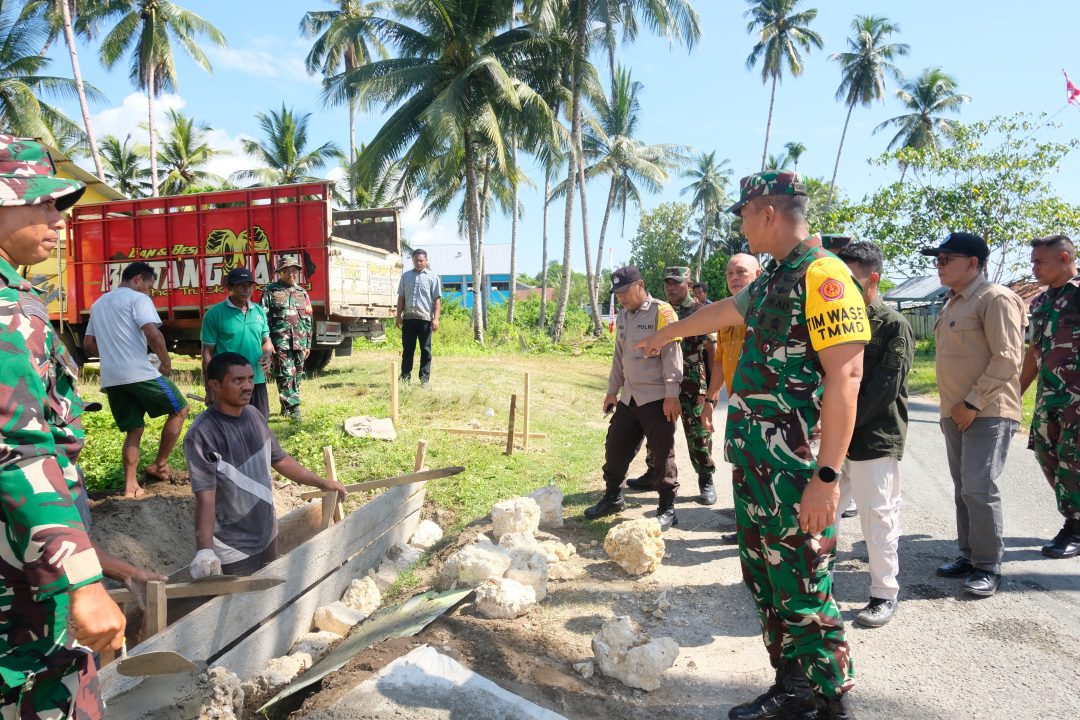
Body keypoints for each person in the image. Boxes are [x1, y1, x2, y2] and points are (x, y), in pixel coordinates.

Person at [640, 171, 867, 720]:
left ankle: (831, 702)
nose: (741, 227)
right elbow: (723, 311)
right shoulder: (773, 280)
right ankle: (794, 687)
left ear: (768, 212)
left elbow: (847, 378)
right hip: (756, 467)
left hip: (796, 471)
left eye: (744, 215)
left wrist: (827, 478)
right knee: (767, 580)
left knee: (804, 586)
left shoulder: (825, 275)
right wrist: (667, 333)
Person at [0, 135, 126, 717]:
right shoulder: (6, 313)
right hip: (23, 579)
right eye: (43, 202)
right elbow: (18, 450)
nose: (59, 218)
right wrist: (81, 581)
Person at [183, 353, 348, 577]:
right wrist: (205, 549)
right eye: (237, 380)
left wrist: (322, 483)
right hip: (233, 547)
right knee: (242, 598)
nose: (247, 386)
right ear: (215, 385)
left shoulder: (254, 415)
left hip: (267, 533)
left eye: (250, 378)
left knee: (267, 591)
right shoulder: (202, 434)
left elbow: (281, 460)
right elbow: (206, 497)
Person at [924, 232, 1026, 597]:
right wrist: (952, 410)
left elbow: (1008, 358)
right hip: (955, 412)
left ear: (972, 263)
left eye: (946, 259)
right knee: (963, 487)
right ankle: (968, 556)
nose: (939, 266)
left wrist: (972, 404)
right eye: (937, 260)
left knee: (979, 487)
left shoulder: (995, 298)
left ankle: (988, 565)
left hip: (987, 411)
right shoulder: (952, 302)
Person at [832, 242, 914, 628]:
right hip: (836, 439)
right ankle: (820, 583)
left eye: (851, 281)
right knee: (824, 511)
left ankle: (884, 593)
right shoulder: (838, 323)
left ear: (873, 280)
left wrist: (840, 424)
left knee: (877, 517)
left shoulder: (894, 325)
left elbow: (885, 388)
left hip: (875, 437)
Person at [585, 266, 683, 530]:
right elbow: (619, 357)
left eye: (625, 291)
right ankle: (613, 498)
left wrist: (672, 394)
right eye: (617, 293)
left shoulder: (662, 312)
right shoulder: (623, 315)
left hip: (657, 398)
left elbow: (672, 354)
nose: (621, 297)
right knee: (615, 448)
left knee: (662, 455)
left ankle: (667, 508)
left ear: (640, 285)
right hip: (629, 398)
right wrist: (611, 391)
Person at [84, 261, 189, 498]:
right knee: (181, 408)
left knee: (134, 429)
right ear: (138, 279)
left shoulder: (98, 304)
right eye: (149, 286)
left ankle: (130, 485)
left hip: (112, 378)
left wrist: (112, 356)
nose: (149, 292)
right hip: (138, 372)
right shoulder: (138, 298)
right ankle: (160, 464)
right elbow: (153, 333)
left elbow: (88, 343)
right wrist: (166, 361)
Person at [627, 267, 716, 505]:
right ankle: (652, 473)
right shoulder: (661, 311)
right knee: (656, 432)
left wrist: (711, 391)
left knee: (698, 435)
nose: (671, 288)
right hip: (662, 384)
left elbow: (712, 352)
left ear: (689, 284)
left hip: (692, 385)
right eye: (667, 283)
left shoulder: (700, 311)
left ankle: (706, 479)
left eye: (676, 283)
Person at [1020, 234, 1080, 559]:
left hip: (1077, 399)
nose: (1034, 268)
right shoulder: (1040, 302)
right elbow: (1034, 351)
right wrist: (1017, 391)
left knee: (1073, 459)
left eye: (1039, 262)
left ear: (1065, 258)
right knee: (1046, 453)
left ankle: (1075, 524)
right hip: (1049, 397)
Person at [201, 267, 273, 419]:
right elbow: (207, 353)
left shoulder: (259, 311)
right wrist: (210, 388)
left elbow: (266, 342)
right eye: (241, 285)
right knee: (229, 425)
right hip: (229, 383)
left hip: (256, 380)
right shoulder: (214, 314)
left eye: (250, 285)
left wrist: (267, 354)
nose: (247, 289)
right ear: (229, 287)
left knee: (260, 422)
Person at [260, 254, 313, 422]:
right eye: (287, 271)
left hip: (300, 340)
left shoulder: (302, 293)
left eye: (294, 270)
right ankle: (294, 407)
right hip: (280, 341)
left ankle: (286, 406)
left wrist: (308, 344)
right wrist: (267, 342)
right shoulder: (270, 291)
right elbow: (262, 319)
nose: (291, 274)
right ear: (280, 272)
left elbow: (308, 319)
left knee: (297, 373)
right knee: (285, 373)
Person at [396, 248, 441, 388]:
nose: (419, 263)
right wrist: (398, 316)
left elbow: (437, 300)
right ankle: (405, 378)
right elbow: (401, 297)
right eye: (416, 260)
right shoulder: (405, 276)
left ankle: (424, 380)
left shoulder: (433, 277)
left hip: (425, 320)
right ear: (412, 260)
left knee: (425, 350)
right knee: (408, 350)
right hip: (409, 319)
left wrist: (436, 319)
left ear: (426, 260)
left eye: (421, 260)